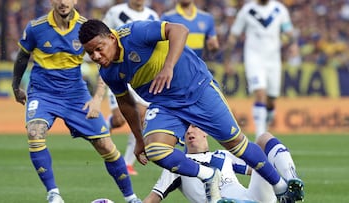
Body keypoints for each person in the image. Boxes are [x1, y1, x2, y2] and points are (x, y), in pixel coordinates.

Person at [78, 19, 304, 203]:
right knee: (155, 150)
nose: (97, 57)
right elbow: (126, 103)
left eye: (99, 49)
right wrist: (138, 139)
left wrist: (168, 67)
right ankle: (208, 175)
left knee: (237, 145)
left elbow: (179, 30)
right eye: (91, 54)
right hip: (166, 105)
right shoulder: (108, 73)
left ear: (111, 38)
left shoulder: (135, 33)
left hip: (198, 90)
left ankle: (281, 186)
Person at [11, 1, 141, 203]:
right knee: (34, 132)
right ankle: (53, 194)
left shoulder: (86, 28)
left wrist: (97, 99)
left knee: (106, 145)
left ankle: (131, 198)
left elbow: (105, 61)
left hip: (76, 95)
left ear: (75, 1)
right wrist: (16, 86)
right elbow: (22, 56)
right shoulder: (36, 28)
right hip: (42, 93)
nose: (63, 2)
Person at [143, 125, 304, 203]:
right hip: (217, 201)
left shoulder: (224, 155)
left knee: (263, 139)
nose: (190, 132)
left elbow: (260, 168)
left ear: (205, 130)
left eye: (193, 126)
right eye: (185, 129)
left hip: (252, 198)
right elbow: (153, 198)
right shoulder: (177, 164)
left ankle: (291, 182)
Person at [224, 0, 300, 139]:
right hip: (254, 58)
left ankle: (265, 124)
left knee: (271, 99)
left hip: (273, 60)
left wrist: (293, 45)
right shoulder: (247, 10)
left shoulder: (279, 10)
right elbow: (233, 35)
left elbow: (288, 31)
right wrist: (228, 60)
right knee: (260, 93)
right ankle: (260, 134)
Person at [102, 0, 160, 176]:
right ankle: (103, 127)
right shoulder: (115, 12)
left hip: (138, 73)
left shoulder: (152, 16)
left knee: (141, 116)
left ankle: (127, 163)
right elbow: (100, 37)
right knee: (119, 119)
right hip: (118, 71)